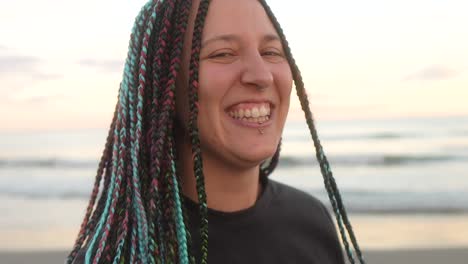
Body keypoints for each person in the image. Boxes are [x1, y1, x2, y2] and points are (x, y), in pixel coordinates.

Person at [67, 0, 365, 263]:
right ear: (164, 89)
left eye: (271, 51)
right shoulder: (123, 253)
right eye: (223, 54)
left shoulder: (312, 221)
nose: (261, 75)